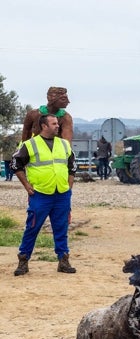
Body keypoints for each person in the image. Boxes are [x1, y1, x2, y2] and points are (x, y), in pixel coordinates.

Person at [12, 114, 77, 276]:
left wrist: (69, 187)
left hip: (61, 195)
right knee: (32, 228)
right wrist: (26, 185)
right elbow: (16, 164)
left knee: (61, 229)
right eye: (54, 123)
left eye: (58, 123)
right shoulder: (30, 145)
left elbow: (72, 167)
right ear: (44, 126)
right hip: (40, 194)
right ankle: (23, 260)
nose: (57, 126)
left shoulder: (64, 144)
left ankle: (63, 260)